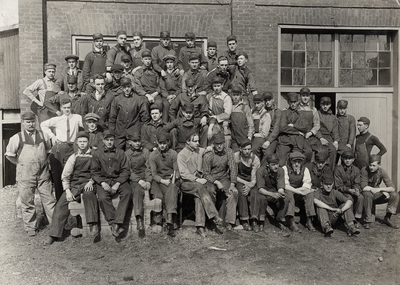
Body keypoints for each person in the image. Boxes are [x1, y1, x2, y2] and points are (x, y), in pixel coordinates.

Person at [5, 112, 56, 236]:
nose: (31, 124)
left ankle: (55, 226)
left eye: (33, 121)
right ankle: (30, 228)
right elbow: (10, 155)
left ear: (36, 122)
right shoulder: (17, 137)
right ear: (23, 123)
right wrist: (21, 164)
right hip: (26, 174)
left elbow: (48, 151)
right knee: (27, 201)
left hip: (43, 173)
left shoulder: (43, 135)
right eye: (28, 122)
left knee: (49, 199)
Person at [45, 131, 99, 245]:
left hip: (88, 184)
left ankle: (93, 224)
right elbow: (65, 176)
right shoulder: (73, 157)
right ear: (77, 143)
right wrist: (68, 191)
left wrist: (91, 181)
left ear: (88, 143)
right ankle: (54, 234)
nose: (83, 144)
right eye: (80, 142)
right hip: (74, 185)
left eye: (85, 141)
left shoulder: (94, 155)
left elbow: (98, 172)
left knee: (89, 195)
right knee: (61, 204)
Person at [177, 133, 224, 237]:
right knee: (199, 187)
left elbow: (206, 149)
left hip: (198, 184)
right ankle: (214, 215)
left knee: (201, 196)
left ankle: (200, 226)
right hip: (186, 183)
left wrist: (211, 147)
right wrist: (197, 179)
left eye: (198, 141)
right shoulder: (181, 155)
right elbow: (183, 174)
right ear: (188, 142)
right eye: (195, 141)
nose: (198, 143)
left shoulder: (199, 150)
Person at [41, 98, 84, 201]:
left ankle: (73, 199)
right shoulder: (57, 119)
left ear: (71, 107)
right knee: (58, 174)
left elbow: (85, 127)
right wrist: (52, 136)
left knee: (71, 172)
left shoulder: (77, 117)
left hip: (72, 147)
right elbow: (43, 125)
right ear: (61, 108)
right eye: (64, 108)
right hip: (59, 148)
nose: (67, 110)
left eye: (68, 107)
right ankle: (60, 200)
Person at [91, 130, 132, 238]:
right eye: (107, 140)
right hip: (104, 180)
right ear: (103, 141)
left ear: (114, 140)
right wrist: (102, 183)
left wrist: (118, 183)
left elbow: (126, 170)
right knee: (102, 197)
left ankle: (117, 222)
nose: (109, 142)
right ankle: (114, 223)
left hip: (118, 179)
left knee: (127, 192)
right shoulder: (97, 154)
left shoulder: (120, 153)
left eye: (111, 140)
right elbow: (94, 172)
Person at [203, 133, 238, 231]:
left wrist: (232, 184)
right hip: (211, 179)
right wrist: (216, 182)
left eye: (221, 143)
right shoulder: (208, 155)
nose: (219, 146)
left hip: (224, 178)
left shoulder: (229, 152)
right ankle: (211, 219)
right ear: (213, 144)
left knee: (233, 193)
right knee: (210, 192)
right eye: (217, 144)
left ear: (224, 143)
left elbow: (233, 168)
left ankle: (229, 222)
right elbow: (206, 174)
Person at [148, 132, 180, 237]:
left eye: (164, 143)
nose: (162, 145)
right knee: (159, 196)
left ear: (168, 142)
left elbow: (176, 170)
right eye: (160, 143)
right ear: (157, 143)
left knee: (171, 190)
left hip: (172, 180)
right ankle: (165, 222)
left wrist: (172, 179)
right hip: (159, 181)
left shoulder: (173, 154)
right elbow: (154, 174)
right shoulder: (153, 155)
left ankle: (170, 221)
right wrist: (162, 181)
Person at [313, 173, 360, 237]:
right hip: (323, 218)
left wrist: (341, 210)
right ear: (322, 184)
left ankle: (351, 226)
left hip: (334, 217)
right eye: (326, 184)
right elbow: (316, 201)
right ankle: (327, 228)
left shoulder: (334, 192)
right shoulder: (318, 192)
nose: (329, 186)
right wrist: (333, 209)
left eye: (330, 184)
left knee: (344, 205)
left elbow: (349, 201)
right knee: (321, 208)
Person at [108, 77, 149, 150]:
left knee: (132, 153)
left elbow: (145, 117)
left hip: (134, 133)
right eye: (124, 87)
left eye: (128, 87)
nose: (127, 89)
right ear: (121, 88)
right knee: (116, 152)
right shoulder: (116, 99)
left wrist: (141, 132)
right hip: (120, 132)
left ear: (131, 86)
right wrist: (112, 133)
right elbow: (112, 117)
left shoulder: (138, 99)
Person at [125, 132, 152, 238]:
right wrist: (138, 180)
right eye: (134, 141)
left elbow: (149, 168)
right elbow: (127, 170)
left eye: (138, 141)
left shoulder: (146, 152)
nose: (137, 143)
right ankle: (139, 218)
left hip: (146, 178)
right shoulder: (127, 154)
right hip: (134, 179)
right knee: (137, 191)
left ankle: (158, 220)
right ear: (130, 142)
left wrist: (148, 181)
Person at [361, 155, 399, 229]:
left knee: (395, 195)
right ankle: (368, 220)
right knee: (367, 194)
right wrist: (377, 190)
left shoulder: (382, 172)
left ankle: (387, 218)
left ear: (379, 165)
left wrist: (381, 190)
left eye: (374, 165)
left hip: (376, 193)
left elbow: (392, 188)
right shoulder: (364, 170)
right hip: (365, 193)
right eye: (370, 165)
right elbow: (363, 187)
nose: (371, 167)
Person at [282, 151, 316, 232]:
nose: (297, 164)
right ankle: (291, 220)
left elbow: (307, 185)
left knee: (309, 193)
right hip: (289, 192)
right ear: (290, 161)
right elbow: (285, 185)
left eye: (299, 162)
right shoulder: (285, 169)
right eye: (294, 162)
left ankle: (309, 220)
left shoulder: (305, 170)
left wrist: (297, 191)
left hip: (298, 192)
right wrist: (299, 192)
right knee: (289, 193)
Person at [169, 78, 209, 147]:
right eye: (188, 87)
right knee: (173, 130)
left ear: (195, 86)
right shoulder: (181, 96)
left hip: (195, 124)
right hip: (182, 124)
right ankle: (175, 150)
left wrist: (204, 117)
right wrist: (175, 121)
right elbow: (172, 109)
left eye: (192, 87)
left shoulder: (201, 98)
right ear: (186, 87)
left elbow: (204, 111)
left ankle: (202, 149)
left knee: (205, 127)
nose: (190, 89)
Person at [257, 154, 292, 231]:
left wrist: (281, 193)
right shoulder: (261, 171)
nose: (276, 166)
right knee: (262, 199)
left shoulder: (280, 171)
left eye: (277, 164)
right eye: (273, 165)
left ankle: (279, 219)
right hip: (264, 192)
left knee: (286, 198)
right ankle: (261, 221)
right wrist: (271, 194)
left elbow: (280, 186)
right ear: (267, 165)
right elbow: (260, 189)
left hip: (274, 192)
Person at [133, 50, 169, 123]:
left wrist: (155, 93)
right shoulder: (138, 72)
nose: (147, 61)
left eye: (149, 59)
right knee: (144, 103)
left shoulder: (155, 72)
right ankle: (146, 124)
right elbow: (137, 87)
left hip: (155, 94)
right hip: (144, 94)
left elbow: (160, 85)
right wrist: (147, 95)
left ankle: (161, 124)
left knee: (159, 103)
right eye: (145, 59)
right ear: (142, 60)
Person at [276, 93, 311, 166]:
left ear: (297, 102)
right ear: (288, 102)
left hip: (298, 140)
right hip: (285, 139)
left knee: (308, 152)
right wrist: (297, 131)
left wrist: (294, 125)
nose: (293, 104)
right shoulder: (284, 113)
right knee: (281, 162)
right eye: (291, 102)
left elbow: (305, 127)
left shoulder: (301, 114)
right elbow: (283, 128)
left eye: (294, 102)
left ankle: (303, 172)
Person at [234, 139, 261, 231]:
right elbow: (233, 175)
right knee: (242, 192)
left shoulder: (255, 159)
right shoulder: (236, 157)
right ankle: (244, 220)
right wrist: (246, 184)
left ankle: (254, 220)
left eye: (249, 149)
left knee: (255, 193)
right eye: (245, 149)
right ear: (240, 149)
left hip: (251, 181)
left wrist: (251, 185)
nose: (247, 151)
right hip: (239, 180)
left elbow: (255, 175)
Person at [334, 150, 363, 223]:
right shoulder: (338, 169)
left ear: (353, 159)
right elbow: (338, 186)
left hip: (352, 190)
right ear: (342, 159)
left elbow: (357, 182)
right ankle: (350, 220)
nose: (347, 160)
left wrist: (356, 189)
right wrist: (349, 190)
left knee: (360, 197)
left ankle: (357, 218)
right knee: (349, 198)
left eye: (350, 158)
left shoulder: (356, 170)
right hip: (342, 192)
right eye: (345, 158)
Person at [297, 87, 321, 162]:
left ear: (309, 97)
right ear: (300, 96)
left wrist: (310, 133)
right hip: (298, 135)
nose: (305, 98)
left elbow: (317, 124)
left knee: (316, 152)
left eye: (307, 96)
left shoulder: (313, 109)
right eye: (303, 96)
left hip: (309, 136)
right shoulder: (296, 108)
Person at [207, 76, 233, 145]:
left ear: (222, 86)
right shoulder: (210, 96)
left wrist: (216, 117)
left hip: (224, 123)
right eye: (214, 86)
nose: (216, 88)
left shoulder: (226, 97)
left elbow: (227, 114)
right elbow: (209, 112)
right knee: (211, 138)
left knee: (226, 141)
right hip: (213, 123)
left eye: (218, 86)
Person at [316, 97, 339, 171]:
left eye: (327, 104)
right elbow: (315, 127)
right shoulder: (317, 114)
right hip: (317, 137)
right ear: (320, 104)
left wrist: (336, 141)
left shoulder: (333, 117)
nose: (325, 106)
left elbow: (335, 130)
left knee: (333, 151)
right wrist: (320, 138)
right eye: (323, 104)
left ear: (330, 105)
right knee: (320, 152)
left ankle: (330, 173)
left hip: (328, 138)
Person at [230, 87, 254, 152]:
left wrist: (249, 137)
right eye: (234, 95)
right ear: (231, 95)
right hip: (234, 137)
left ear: (240, 96)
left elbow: (250, 124)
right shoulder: (230, 107)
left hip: (244, 137)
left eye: (237, 95)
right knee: (235, 156)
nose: (235, 97)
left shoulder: (245, 107)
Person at [262, 92, 282, 159]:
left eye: (269, 100)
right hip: (262, 135)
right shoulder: (262, 111)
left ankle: (263, 169)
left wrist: (268, 141)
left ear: (273, 100)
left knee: (268, 153)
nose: (267, 102)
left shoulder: (277, 112)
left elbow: (276, 128)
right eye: (266, 100)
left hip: (273, 138)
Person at [251, 94, 271, 159]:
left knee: (254, 148)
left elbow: (264, 134)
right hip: (251, 135)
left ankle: (256, 164)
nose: (256, 105)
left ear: (263, 103)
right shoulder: (252, 112)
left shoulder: (266, 115)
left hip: (260, 137)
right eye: (255, 103)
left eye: (258, 103)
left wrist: (253, 135)